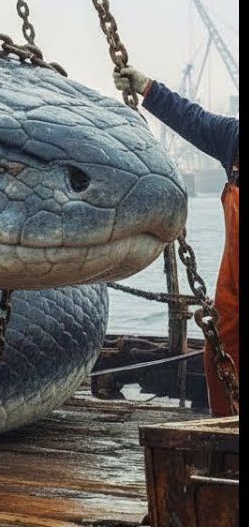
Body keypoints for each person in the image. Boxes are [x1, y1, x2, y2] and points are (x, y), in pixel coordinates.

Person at [116, 65, 239, 416]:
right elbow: (192, 119)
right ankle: (226, 440)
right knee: (220, 352)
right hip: (234, 295)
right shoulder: (233, 139)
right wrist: (146, 88)